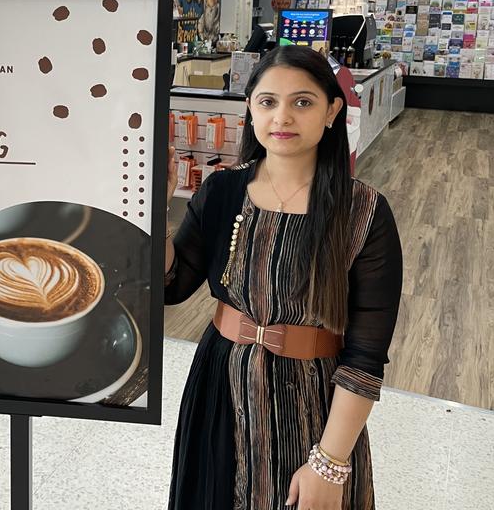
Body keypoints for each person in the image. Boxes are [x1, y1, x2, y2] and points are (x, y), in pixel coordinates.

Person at [164, 45, 403, 510]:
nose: (283, 117)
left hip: (310, 404)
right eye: (268, 101)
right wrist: (154, 212)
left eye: (303, 102)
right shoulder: (223, 191)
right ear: (250, 109)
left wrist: (329, 463)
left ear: (332, 110)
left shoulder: (363, 212)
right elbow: (173, 284)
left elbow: (365, 356)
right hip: (220, 391)